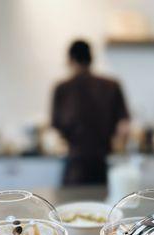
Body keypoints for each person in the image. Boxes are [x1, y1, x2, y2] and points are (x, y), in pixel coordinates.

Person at [51, 40, 130, 185]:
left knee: (71, 205)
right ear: (91, 59)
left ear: (70, 60)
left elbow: (56, 126)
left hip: (74, 163)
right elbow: (124, 127)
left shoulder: (62, 88)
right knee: (105, 205)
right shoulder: (112, 86)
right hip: (103, 162)